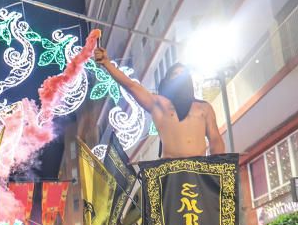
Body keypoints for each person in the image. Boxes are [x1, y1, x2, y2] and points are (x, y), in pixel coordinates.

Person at [92, 48, 224, 158]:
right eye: (175, 74)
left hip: (200, 173)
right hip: (171, 173)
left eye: (184, 74)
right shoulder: (160, 105)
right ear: (169, 81)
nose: (181, 77)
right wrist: (107, 64)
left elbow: (215, 140)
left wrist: (218, 173)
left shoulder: (204, 108)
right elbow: (131, 86)